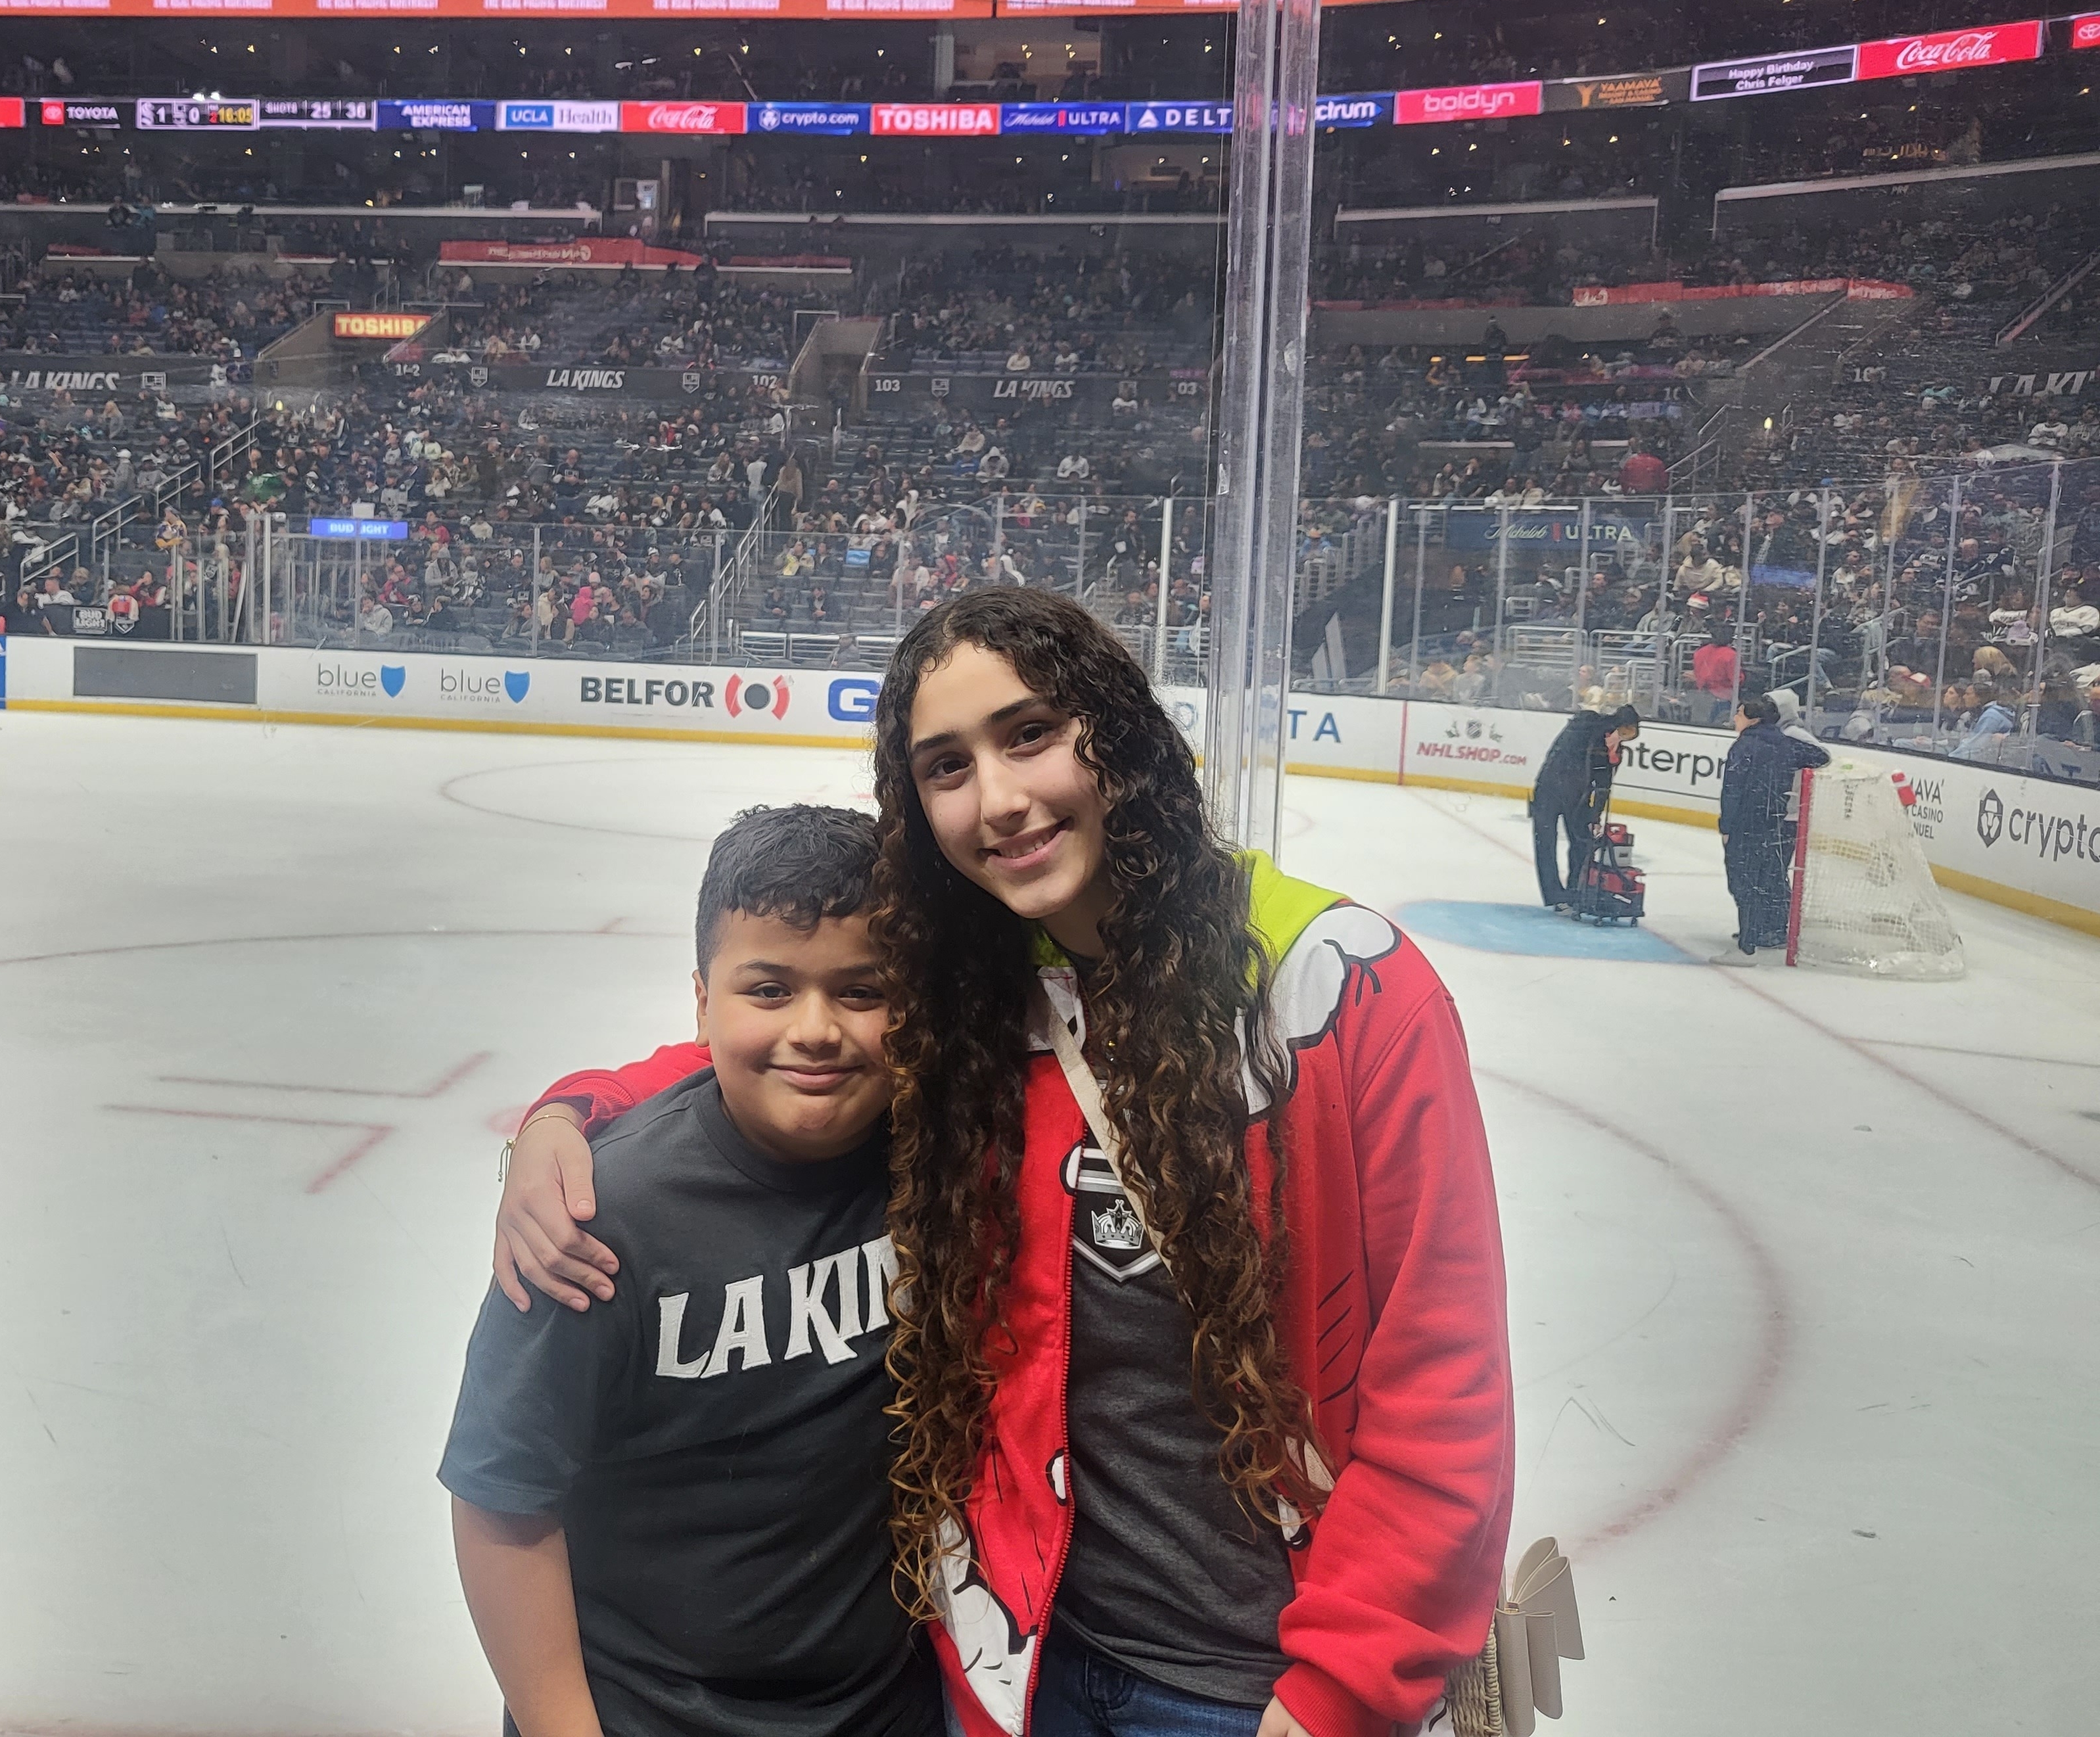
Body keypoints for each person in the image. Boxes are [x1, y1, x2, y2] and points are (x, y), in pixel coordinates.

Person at [494, 587, 1512, 1737]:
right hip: (1015, 1676)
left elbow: (1442, 1392)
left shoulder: (1342, 991)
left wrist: (1336, 1698)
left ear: (1116, 730)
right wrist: (566, 1119)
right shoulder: (986, 994)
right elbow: (784, 1046)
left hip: (1263, 1691)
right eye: (947, 767)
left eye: (1031, 734)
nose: (1000, 799)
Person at [439, 806, 939, 1737]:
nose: (816, 1029)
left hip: (884, 1710)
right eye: (769, 990)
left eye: (863, 991)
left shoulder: (936, 1156)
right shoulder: (594, 1219)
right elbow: (503, 1499)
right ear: (703, 1003)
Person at [1714, 693, 1830, 967]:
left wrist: (1727, 826)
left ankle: (1755, 940)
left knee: (1750, 880)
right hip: (1773, 820)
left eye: (1739, 713)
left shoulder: (1749, 745)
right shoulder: (1784, 742)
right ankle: (1759, 931)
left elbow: (1732, 789)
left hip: (1752, 823)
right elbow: (1818, 756)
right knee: (1765, 876)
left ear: (1754, 719)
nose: (1735, 718)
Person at [1529, 705, 1639, 910]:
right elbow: (1579, 729)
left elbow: (1604, 785)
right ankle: (1555, 895)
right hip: (1548, 792)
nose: (1624, 738)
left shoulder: (1613, 751)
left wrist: (1595, 817)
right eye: (1624, 731)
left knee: (1583, 842)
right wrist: (1604, 736)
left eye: (1630, 735)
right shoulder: (1588, 726)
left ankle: (1575, 890)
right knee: (1546, 844)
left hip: (1578, 798)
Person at [1690, 628, 1738, 726]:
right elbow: (1737, 680)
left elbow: (1696, 672)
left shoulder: (1700, 652)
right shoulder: (1731, 655)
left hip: (1702, 695)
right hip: (1723, 699)